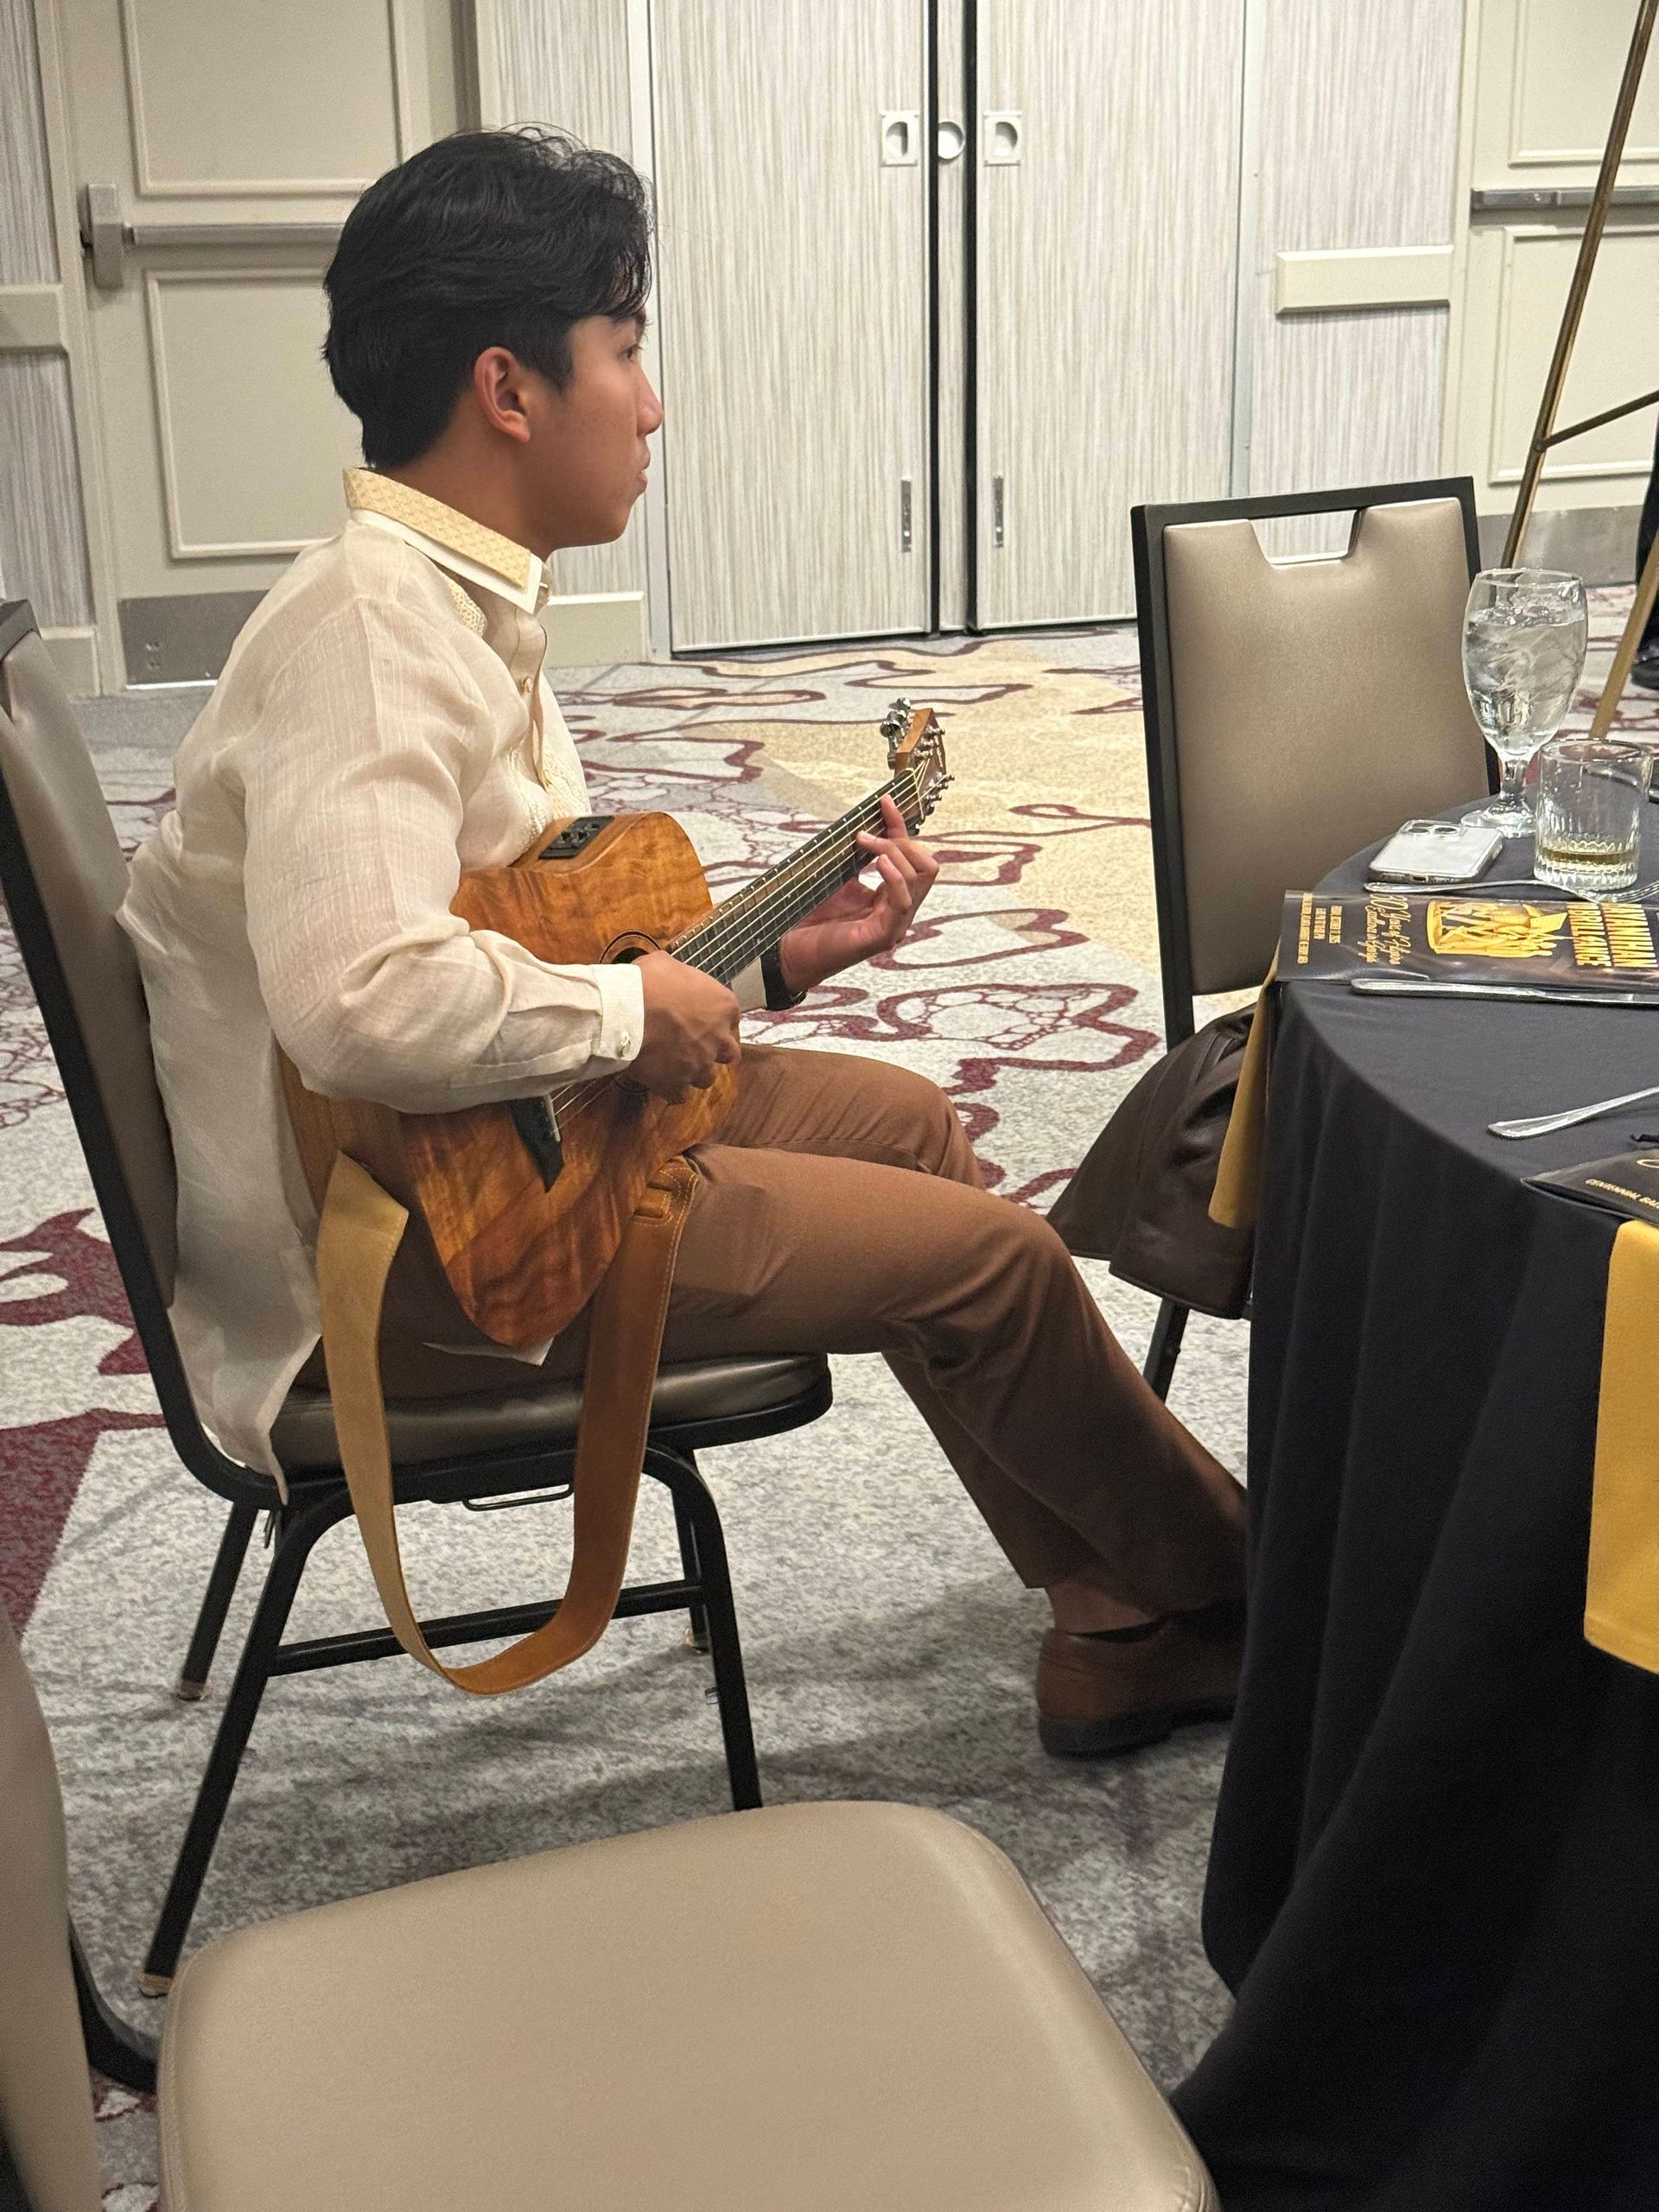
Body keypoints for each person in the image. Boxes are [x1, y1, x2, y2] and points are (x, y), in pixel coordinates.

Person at [119, 128, 1246, 1757]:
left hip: (475, 1157)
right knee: (996, 1266)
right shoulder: (367, 632)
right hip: (411, 1256)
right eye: (627, 351)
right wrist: (625, 1013)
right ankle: (1254, 1595)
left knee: (923, 1130)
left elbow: (509, 941)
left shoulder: (442, 601)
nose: (651, 403)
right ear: (510, 390)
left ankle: (1120, 1618)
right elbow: (356, 1000)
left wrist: (770, 966)